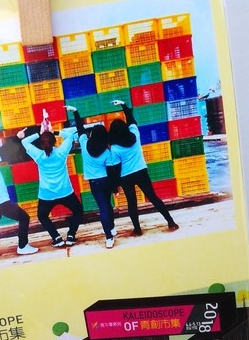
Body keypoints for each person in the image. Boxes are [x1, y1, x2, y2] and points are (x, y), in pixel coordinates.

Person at [107, 101, 179, 234]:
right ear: (125, 128)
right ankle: (171, 222)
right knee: (153, 197)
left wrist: (115, 186)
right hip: (141, 172)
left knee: (132, 203)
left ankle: (137, 229)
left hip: (125, 177)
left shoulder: (115, 148)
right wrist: (124, 105)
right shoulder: (135, 135)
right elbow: (131, 120)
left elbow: (116, 168)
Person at [18, 120, 82, 247]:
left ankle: (56, 238)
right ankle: (71, 235)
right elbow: (70, 136)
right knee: (78, 211)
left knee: (42, 216)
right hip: (65, 191)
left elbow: (24, 142)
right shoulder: (61, 152)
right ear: (54, 141)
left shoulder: (38, 155)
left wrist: (40, 133)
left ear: (41, 144)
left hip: (47, 194)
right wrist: (54, 132)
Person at [66, 105, 121, 248]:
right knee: (107, 204)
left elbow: (80, 128)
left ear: (92, 134)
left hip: (94, 183)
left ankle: (109, 237)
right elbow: (111, 171)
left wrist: (76, 112)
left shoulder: (84, 144)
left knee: (103, 207)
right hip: (106, 181)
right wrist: (115, 188)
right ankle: (111, 229)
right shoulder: (106, 151)